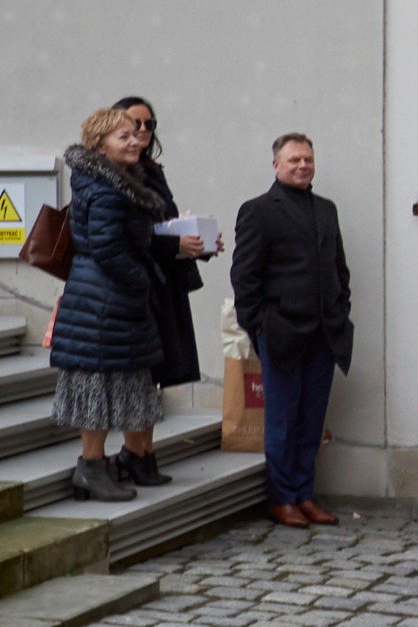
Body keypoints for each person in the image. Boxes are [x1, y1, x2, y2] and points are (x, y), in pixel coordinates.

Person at [230, 133, 353, 528]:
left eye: (308, 159)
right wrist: (260, 325)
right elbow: (244, 278)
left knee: (311, 419)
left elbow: (339, 269)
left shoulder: (326, 209)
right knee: (282, 419)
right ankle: (281, 497)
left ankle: (304, 493)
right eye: (294, 160)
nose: (303, 165)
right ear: (277, 165)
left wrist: (339, 309)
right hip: (281, 331)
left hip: (324, 333)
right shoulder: (259, 211)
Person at [48, 109, 169, 503]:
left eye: (135, 134)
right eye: (124, 136)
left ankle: (100, 467)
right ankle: (91, 468)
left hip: (109, 299)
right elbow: (106, 248)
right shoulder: (104, 188)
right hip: (101, 301)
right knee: (95, 387)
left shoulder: (115, 182)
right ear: (100, 144)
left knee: (110, 383)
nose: (135, 141)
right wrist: (141, 279)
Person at [114, 95, 210, 489]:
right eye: (135, 124)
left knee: (156, 373)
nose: (142, 132)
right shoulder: (115, 173)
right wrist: (174, 246)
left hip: (163, 282)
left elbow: (162, 221)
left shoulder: (152, 171)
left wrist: (194, 239)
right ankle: (132, 453)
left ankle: (144, 453)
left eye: (149, 125)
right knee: (138, 374)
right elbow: (125, 236)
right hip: (136, 284)